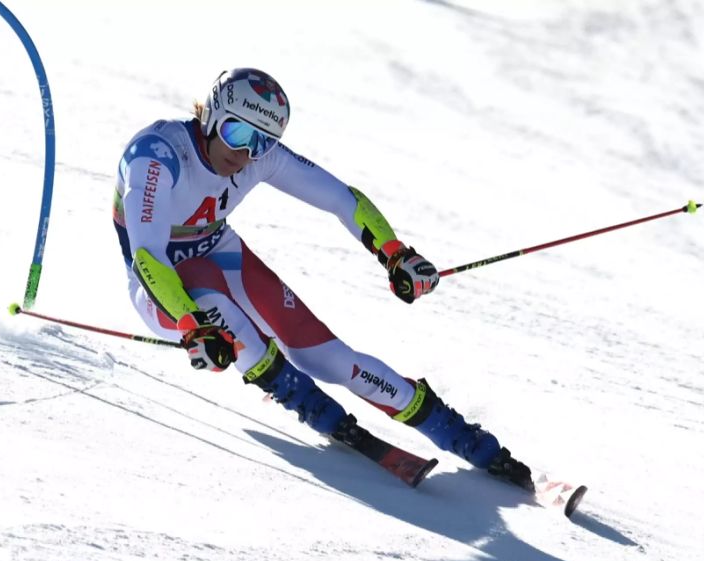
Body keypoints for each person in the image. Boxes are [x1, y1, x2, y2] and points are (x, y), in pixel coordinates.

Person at [112, 67, 532, 489]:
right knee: (221, 316)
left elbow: (341, 198)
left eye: (261, 143)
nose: (245, 155)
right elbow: (148, 256)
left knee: (328, 356)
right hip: (155, 283)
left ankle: (459, 435)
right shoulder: (158, 156)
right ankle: (306, 402)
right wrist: (191, 323)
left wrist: (393, 253)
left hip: (218, 253)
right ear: (212, 116)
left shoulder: (259, 159)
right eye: (238, 134)